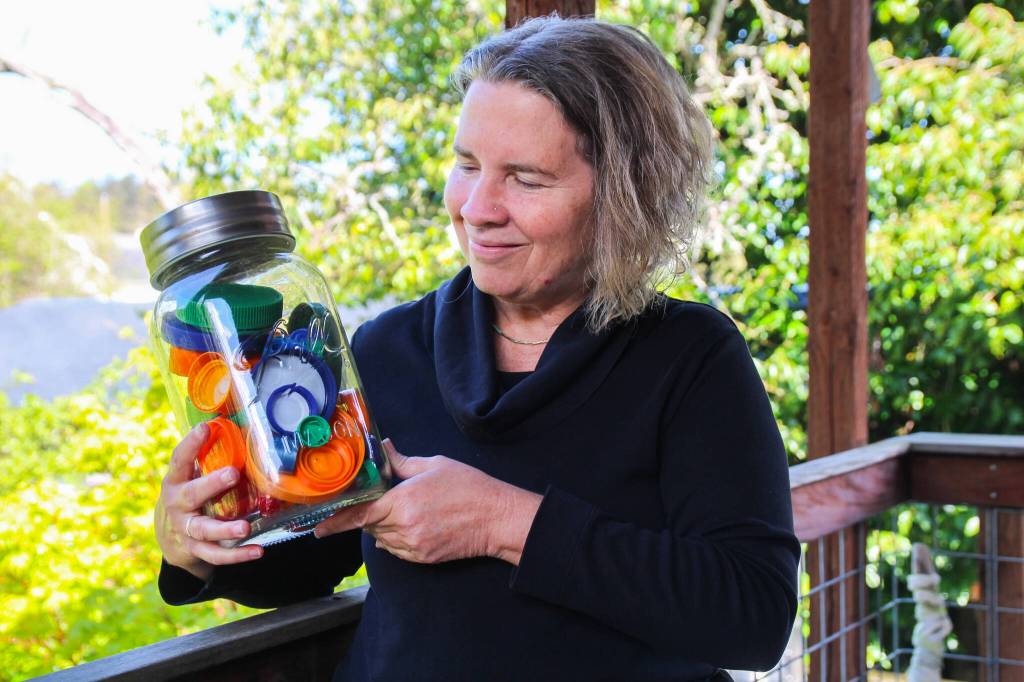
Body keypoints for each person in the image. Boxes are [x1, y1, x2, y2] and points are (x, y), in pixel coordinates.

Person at [155, 16, 800, 681]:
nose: (478, 207)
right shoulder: (387, 349)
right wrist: (199, 546)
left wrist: (505, 522)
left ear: (623, 196)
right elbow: (310, 555)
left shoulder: (690, 357)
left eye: (525, 178)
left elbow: (752, 616)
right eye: (467, 165)